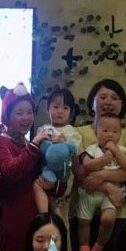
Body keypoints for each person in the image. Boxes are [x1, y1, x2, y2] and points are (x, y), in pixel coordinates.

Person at [72, 79, 126, 251]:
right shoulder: (79, 132)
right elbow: (80, 172)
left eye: (115, 98)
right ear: (92, 102)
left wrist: (100, 176)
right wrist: (110, 187)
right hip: (83, 212)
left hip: (116, 213)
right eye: (102, 97)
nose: (108, 101)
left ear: (122, 104)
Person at [0, 82, 49, 251]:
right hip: (10, 221)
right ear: (7, 114)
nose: (26, 118)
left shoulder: (28, 144)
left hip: (34, 220)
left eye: (29, 112)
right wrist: (34, 146)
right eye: (19, 113)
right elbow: (10, 171)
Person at [75, 114, 126, 251]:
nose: (110, 135)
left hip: (111, 195)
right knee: (83, 221)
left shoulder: (122, 150)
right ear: (97, 132)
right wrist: (105, 158)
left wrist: (115, 151)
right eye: (105, 130)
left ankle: (97, 247)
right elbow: (87, 166)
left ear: (120, 134)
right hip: (91, 192)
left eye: (115, 131)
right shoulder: (92, 149)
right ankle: (84, 247)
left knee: (108, 219)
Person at [33, 88, 82, 222]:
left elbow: (74, 155)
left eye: (65, 108)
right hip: (45, 173)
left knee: (61, 215)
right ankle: (43, 218)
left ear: (71, 112)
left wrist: (63, 142)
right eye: (55, 107)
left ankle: (60, 229)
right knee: (40, 191)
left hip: (63, 177)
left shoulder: (72, 133)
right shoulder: (43, 129)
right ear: (48, 108)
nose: (60, 111)